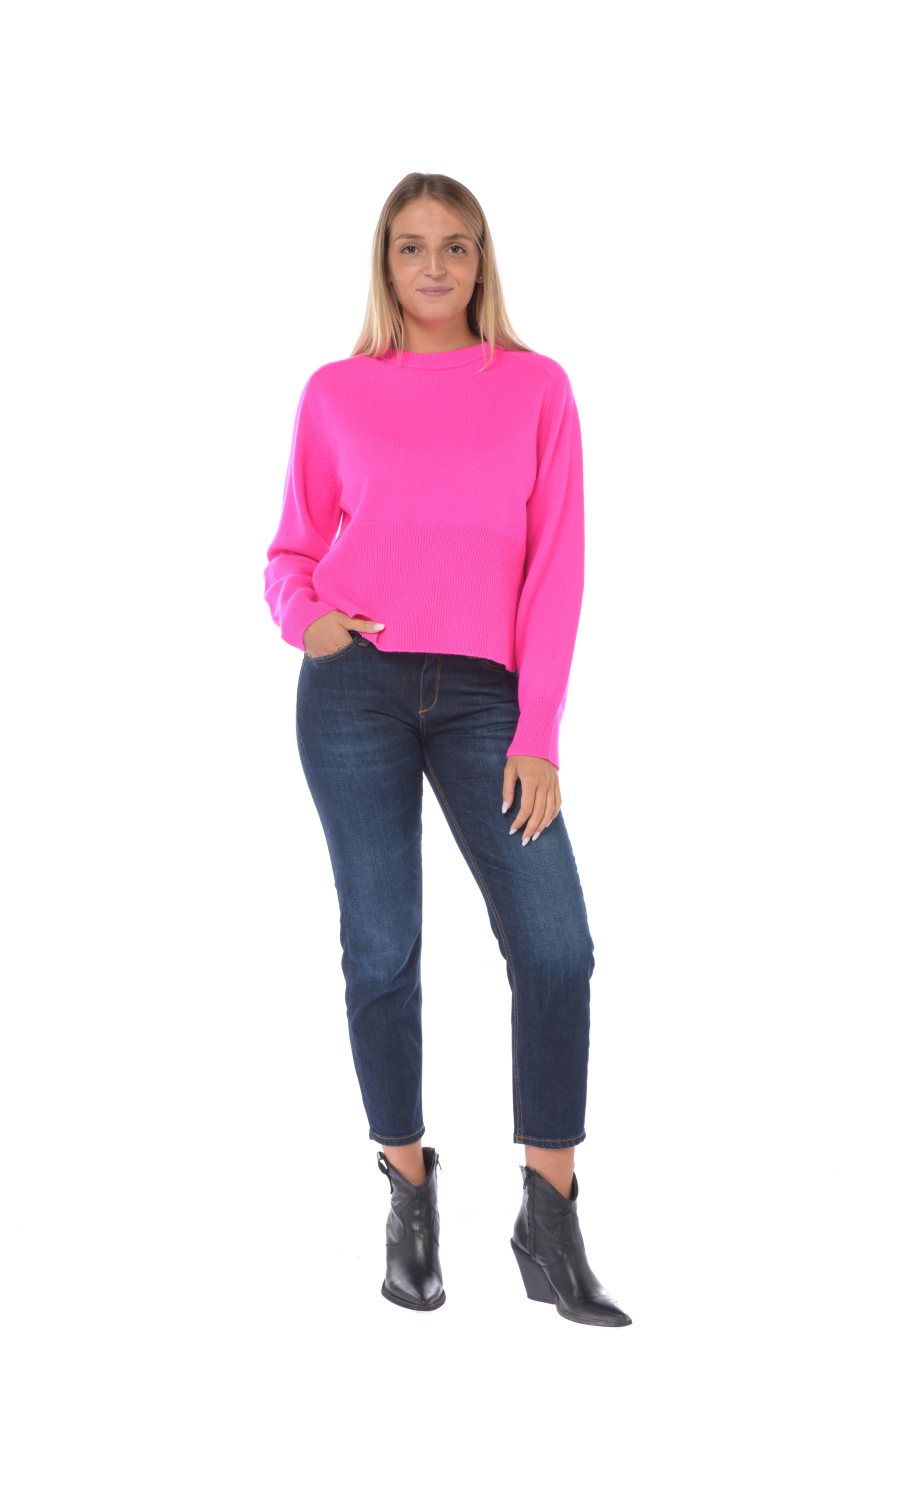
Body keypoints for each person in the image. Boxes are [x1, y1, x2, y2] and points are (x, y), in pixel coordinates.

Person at [263, 172, 631, 1327]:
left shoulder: (536, 388)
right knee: (382, 948)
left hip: (487, 701)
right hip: (355, 691)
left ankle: (549, 1216)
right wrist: (308, 620)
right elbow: (289, 552)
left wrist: (540, 733)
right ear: (386, 260)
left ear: (482, 261)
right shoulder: (335, 392)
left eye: (456, 246)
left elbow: (557, 568)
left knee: (557, 947)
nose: (435, 266)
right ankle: (408, 1191)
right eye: (413, 246)